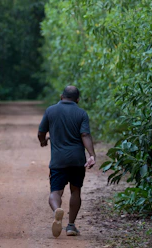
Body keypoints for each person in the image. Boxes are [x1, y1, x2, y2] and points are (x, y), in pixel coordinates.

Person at [38, 86, 96, 238]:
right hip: (77, 159)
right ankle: (71, 226)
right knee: (75, 190)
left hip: (58, 160)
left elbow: (41, 132)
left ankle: (57, 210)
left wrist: (43, 141)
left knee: (55, 191)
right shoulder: (81, 113)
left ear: (61, 96)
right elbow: (85, 135)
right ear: (77, 99)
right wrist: (91, 155)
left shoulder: (51, 111)